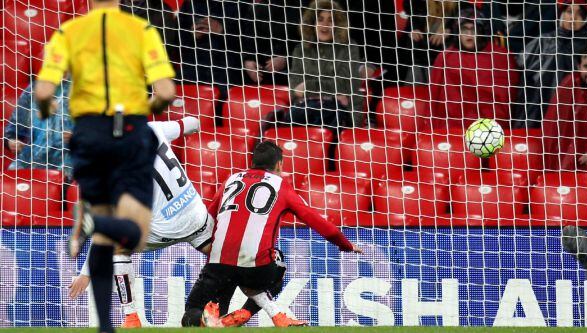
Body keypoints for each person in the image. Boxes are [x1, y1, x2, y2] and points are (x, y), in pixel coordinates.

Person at [33, 0, 177, 331]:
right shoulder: (141, 30)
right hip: (128, 131)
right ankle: (93, 222)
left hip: (88, 133)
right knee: (135, 234)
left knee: (104, 232)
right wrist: (149, 106)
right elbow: (167, 92)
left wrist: (44, 109)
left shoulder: (69, 31)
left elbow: (43, 90)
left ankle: (105, 327)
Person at [66, 117, 289, 328]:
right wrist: (198, 126)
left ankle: (131, 316)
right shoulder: (152, 128)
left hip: (162, 228)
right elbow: (190, 123)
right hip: (196, 218)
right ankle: (275, 312)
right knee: (236, 260)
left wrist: (86, 273)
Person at [181, 141, 363, 327]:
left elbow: (209, 217)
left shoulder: (231, 180)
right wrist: (345, 244)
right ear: (279, 165)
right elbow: (315, 219)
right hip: (258, 270)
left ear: (252, 162)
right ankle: (246, 311)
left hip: (219, 264)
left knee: (193, 310)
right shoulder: (281, 185)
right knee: (279, 263)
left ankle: (206, 319)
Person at [515, 1, 587, 128]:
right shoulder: (542, 42)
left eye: (579, 14)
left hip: (579, 114)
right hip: (539, 112)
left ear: (586, 18)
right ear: (561, 14)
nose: (573, 18)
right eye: (569, 12)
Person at [280, 0, 367, 129]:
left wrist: (308, 86)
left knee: (329, 118)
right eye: (320, 19)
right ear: (312, 23)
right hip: (307, 108)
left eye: (330, 20)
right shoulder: (300, 49)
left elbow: (345, 85)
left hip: (344, 111)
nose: (325, 25)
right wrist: (330, 94)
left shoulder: (350, 47)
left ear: (337, 25)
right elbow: (295, 89)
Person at [428, 7, 518, 130]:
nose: (469, 35)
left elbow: (508, 99)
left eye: (474, 29)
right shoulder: (446, 57)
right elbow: (434, 97)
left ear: (481, 31)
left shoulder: (501, 57)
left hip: (490, 128)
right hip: (453, 128)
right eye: (465, 29)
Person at [4, 80, 73, 173]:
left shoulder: (83, 88)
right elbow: (14, 128)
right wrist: (11, 141)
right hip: (32, 160)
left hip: (71, 161)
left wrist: (79, 136)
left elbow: (95, 130)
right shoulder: (33, 90)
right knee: (11, 178)